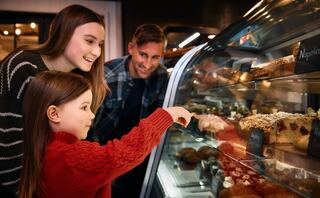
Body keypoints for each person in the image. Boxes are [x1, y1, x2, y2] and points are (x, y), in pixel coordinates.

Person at [19, 71, 192, 198]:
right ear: (54, 114)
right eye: (84, 107)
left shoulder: (44, 148)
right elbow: (121, 154)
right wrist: (166, 116)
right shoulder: (70, 156)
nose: (92, 115)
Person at [0, 4, 107, 196]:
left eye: (99, 44)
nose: (97, 52)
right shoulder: (22, 66)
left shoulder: (81, 79)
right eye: (89, 41)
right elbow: (7, 140)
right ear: (63, 33)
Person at [87, 24, 169, 197]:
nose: (147, 64)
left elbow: (160, 118)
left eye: (155, 57)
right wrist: (101, 166)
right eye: (143, 55)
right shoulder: (106, 74)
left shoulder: (161, 76)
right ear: (131, 48)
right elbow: (89, 127)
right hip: (105, 156)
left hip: (139, 156)